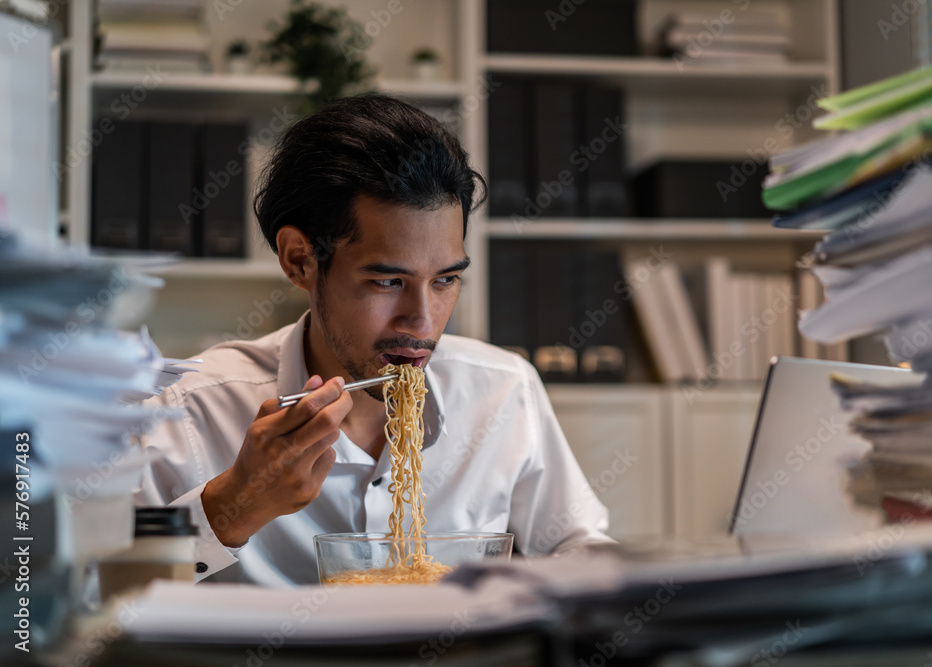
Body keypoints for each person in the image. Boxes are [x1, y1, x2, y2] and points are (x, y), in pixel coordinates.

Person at [137, 93, 611, 586]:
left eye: (445, 280)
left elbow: (581, 549)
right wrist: (231, 508)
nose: (423, 323)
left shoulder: (504, 389)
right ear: (299, 259)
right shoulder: (189, 410)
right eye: (387, 282)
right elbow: (96, 583)